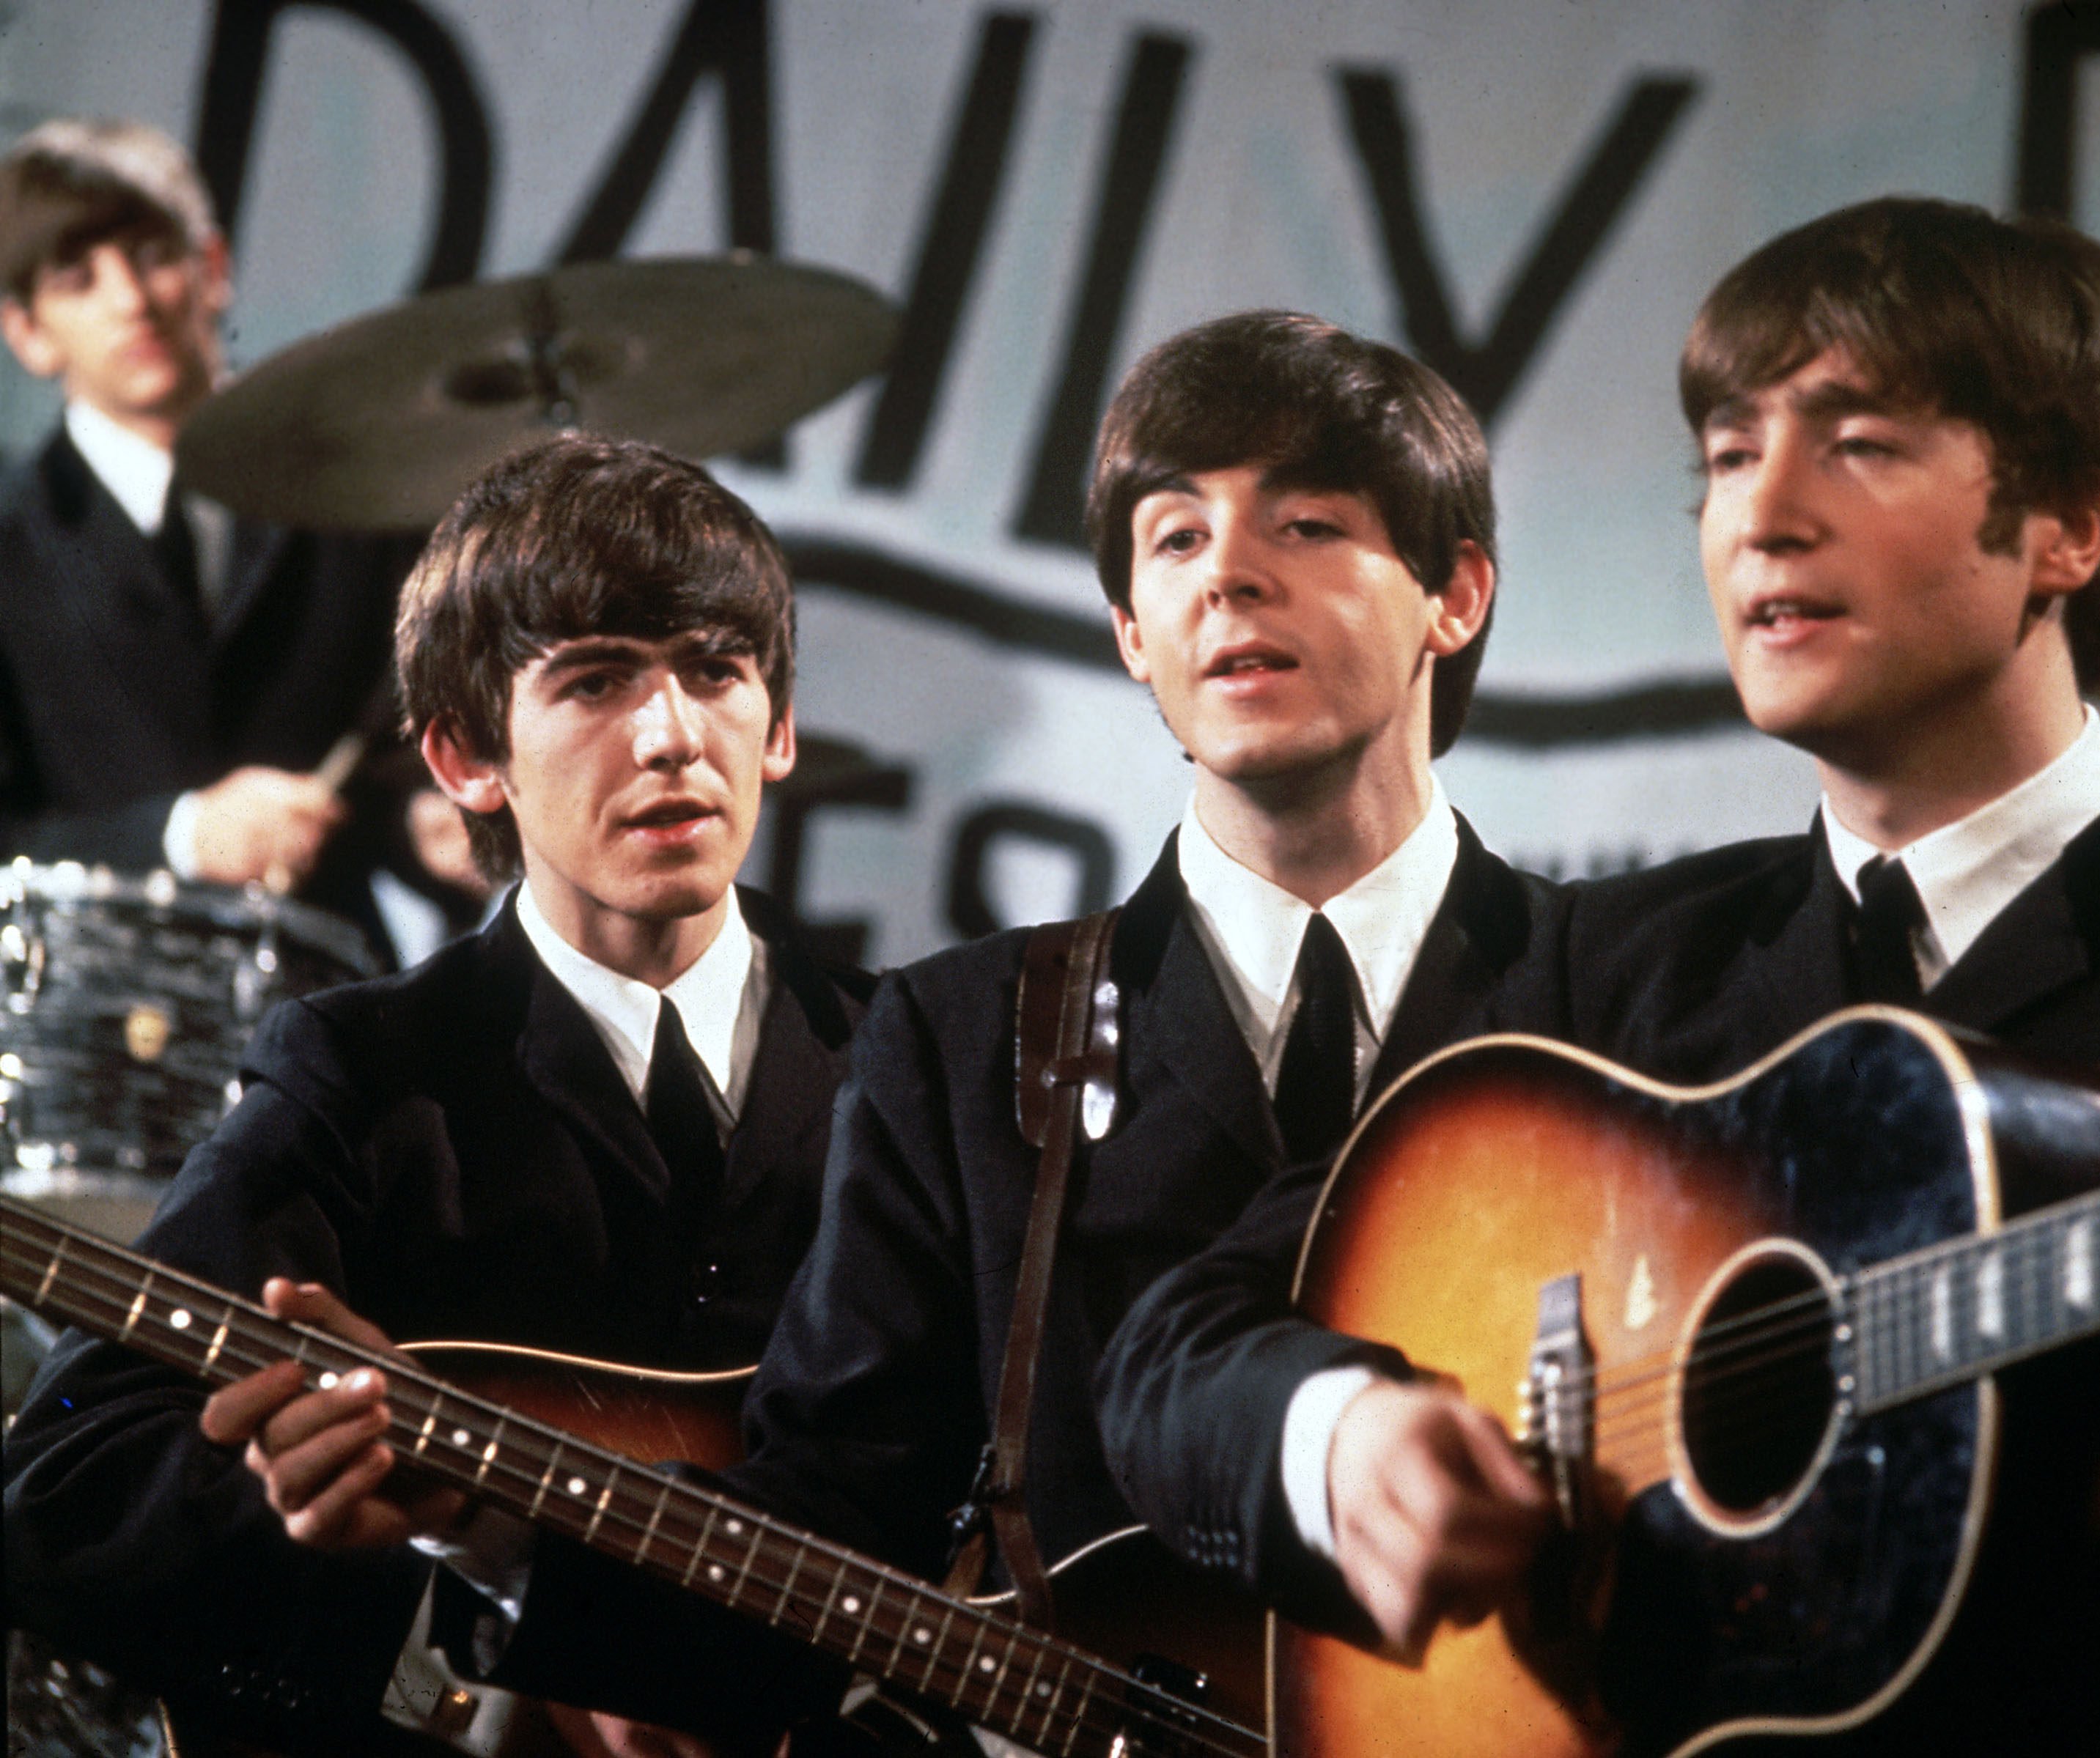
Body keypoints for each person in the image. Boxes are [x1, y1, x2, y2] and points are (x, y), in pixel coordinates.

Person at [208, 311, 1573, 1724]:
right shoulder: (965, 1035)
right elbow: (820, 1550)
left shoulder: (1623, 988)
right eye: (1173, 539)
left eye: (1304, 522)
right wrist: (483, 1522)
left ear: (1456, 593)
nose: (1229, 573)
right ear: (1127, 631)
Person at [1095, 198, 2100, 1750]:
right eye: (1730, 455)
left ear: (2071, 526)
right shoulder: (1607, 970)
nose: (1764, 516)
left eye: (1859, 442)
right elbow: (1176, 1344)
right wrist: (1344, 1440)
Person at [2, 433, 870, 1755]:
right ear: (465, 757)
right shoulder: (360, 1071)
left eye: (715, 668)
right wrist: (398, 1540)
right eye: (594, 680)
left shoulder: (915, 1057)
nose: (674, 733)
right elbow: (64, 1484)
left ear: (783, 722)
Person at [0, 117, 439, 947]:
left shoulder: (352, 495)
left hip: (327, 1001)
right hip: (95, 1028)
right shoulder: (9, 540)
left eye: (152, 255)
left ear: (213, 266)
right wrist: (182, 835)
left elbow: (393, 757)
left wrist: (428, 829)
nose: (131, 300)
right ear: (26, 332)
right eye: (77, 278)